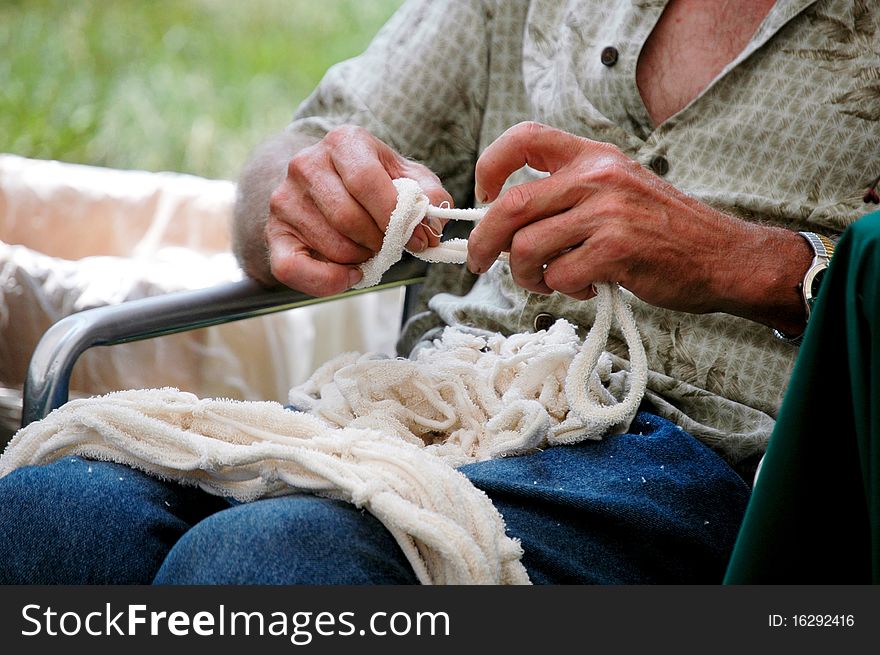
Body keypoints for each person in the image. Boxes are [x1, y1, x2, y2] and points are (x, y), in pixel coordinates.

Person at [0, 0, 877, 584]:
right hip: (433, 407)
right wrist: (303, 196)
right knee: (50, 516)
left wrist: (754, 262)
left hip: (729, 474)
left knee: (266, 565)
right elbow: (302, 147)